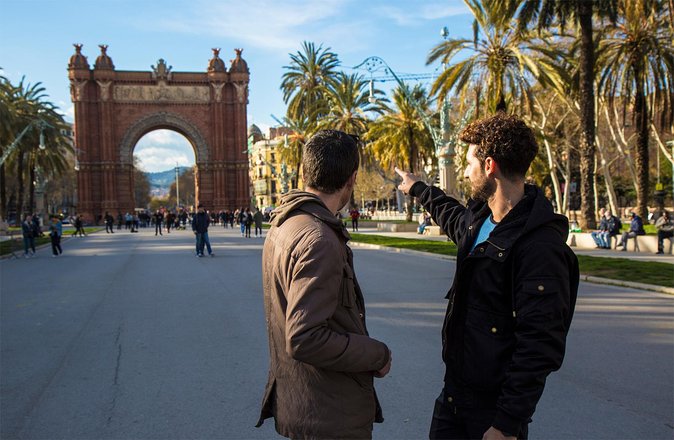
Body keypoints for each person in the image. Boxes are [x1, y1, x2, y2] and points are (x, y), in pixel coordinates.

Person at [396, 113, 578, 440]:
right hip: (454, 395)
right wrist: (417, 188)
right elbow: (451, 215)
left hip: (492, 414)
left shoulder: (539, 247)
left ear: (490, 165)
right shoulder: (479, 220)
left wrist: (507, 424)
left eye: (469, 163)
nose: (465, 171)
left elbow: (540, 345)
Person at [257, 130, 391, 439]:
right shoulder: (318, 238)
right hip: (328, 416)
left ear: (304, 172)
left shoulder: (286, 224)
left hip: (310, 405)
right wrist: (377, 354)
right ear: (352, 179)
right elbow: (305, 337)